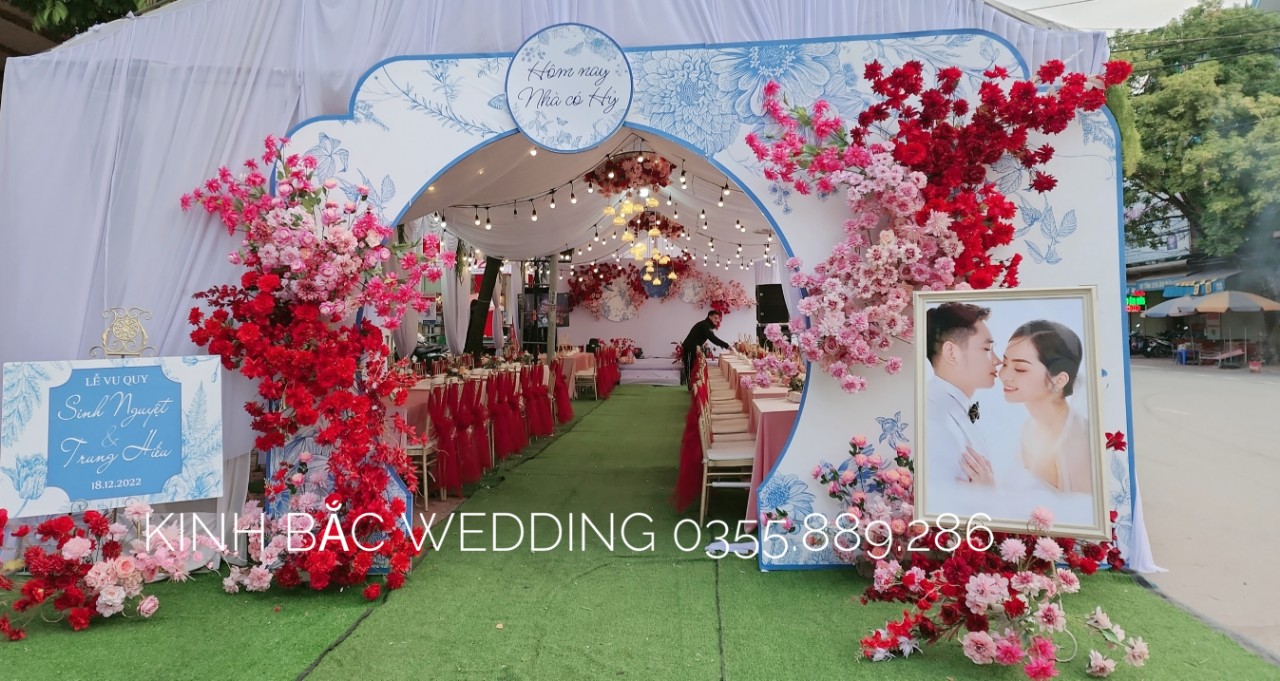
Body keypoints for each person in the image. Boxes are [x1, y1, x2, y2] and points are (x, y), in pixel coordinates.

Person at [996, 320, 1093, 495]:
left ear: (1059, 380)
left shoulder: (1076, 442)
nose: (1004, 375)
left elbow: (1081, 510)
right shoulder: (1030, 427)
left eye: (1020, 369)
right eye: (1004, 364)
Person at [924, 302, 1001, 485]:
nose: (997, 360)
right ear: (952, 353)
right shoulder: (935, 421)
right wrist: (988, 494)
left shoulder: (949, 408)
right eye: (987, 349)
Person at [680, 310, 730, 387]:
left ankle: (692, 386)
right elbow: (713, 338)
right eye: (715, 318)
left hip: (694, 348)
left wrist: (725, 345)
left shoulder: (706, 325)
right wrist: (727, 346)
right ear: (710, 316)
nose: (717, 320)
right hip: (690, 347)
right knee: (689, 367)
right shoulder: (705, 325)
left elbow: (712, 338)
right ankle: (690, 386)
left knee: (693, 367)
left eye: (718, 318)